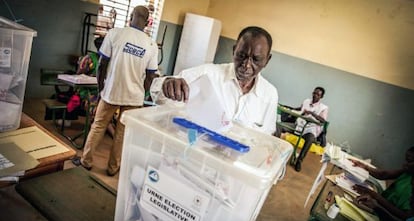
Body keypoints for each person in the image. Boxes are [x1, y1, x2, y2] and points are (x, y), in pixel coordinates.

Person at [72, 5, 159, 176]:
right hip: (134, 97)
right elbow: (150, 76)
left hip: (111, 92)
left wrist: (101, 88)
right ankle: (113, 168)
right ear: (148, 22)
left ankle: (86, 161)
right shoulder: (151, 45)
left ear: (131, 16)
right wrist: (143, 95)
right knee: (122, 133)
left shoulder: (115, 34)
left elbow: (102, 65)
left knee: (98, 126)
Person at [150, 26, 278, 135]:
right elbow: (157, 93)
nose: (247, 65)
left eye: (256, 59)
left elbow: (266, 139)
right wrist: (166, 84)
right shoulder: (208, 74)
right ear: (234, 51)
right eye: (241, 56)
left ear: (267, 60)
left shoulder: (269, 95)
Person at [350, 146, 414, 221]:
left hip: (387, 216)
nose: (404, 164)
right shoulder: (409, 171)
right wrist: (365, 166)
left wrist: (375, 198)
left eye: (409, 161)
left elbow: (404, 217)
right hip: (380, 207)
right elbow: (384, 174)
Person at [279, 87, 328, 172]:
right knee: (279, 126)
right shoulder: (306, 101)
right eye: (314, 93)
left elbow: (323, 120)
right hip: (299, 125)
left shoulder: (323, 108)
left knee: (310, 139)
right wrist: (290, 108)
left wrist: (312, 114)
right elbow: (300, 109)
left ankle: (299, 161)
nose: (315, 95)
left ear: (321, 97)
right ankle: (276, 151)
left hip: (310, 129)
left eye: (318, 94)